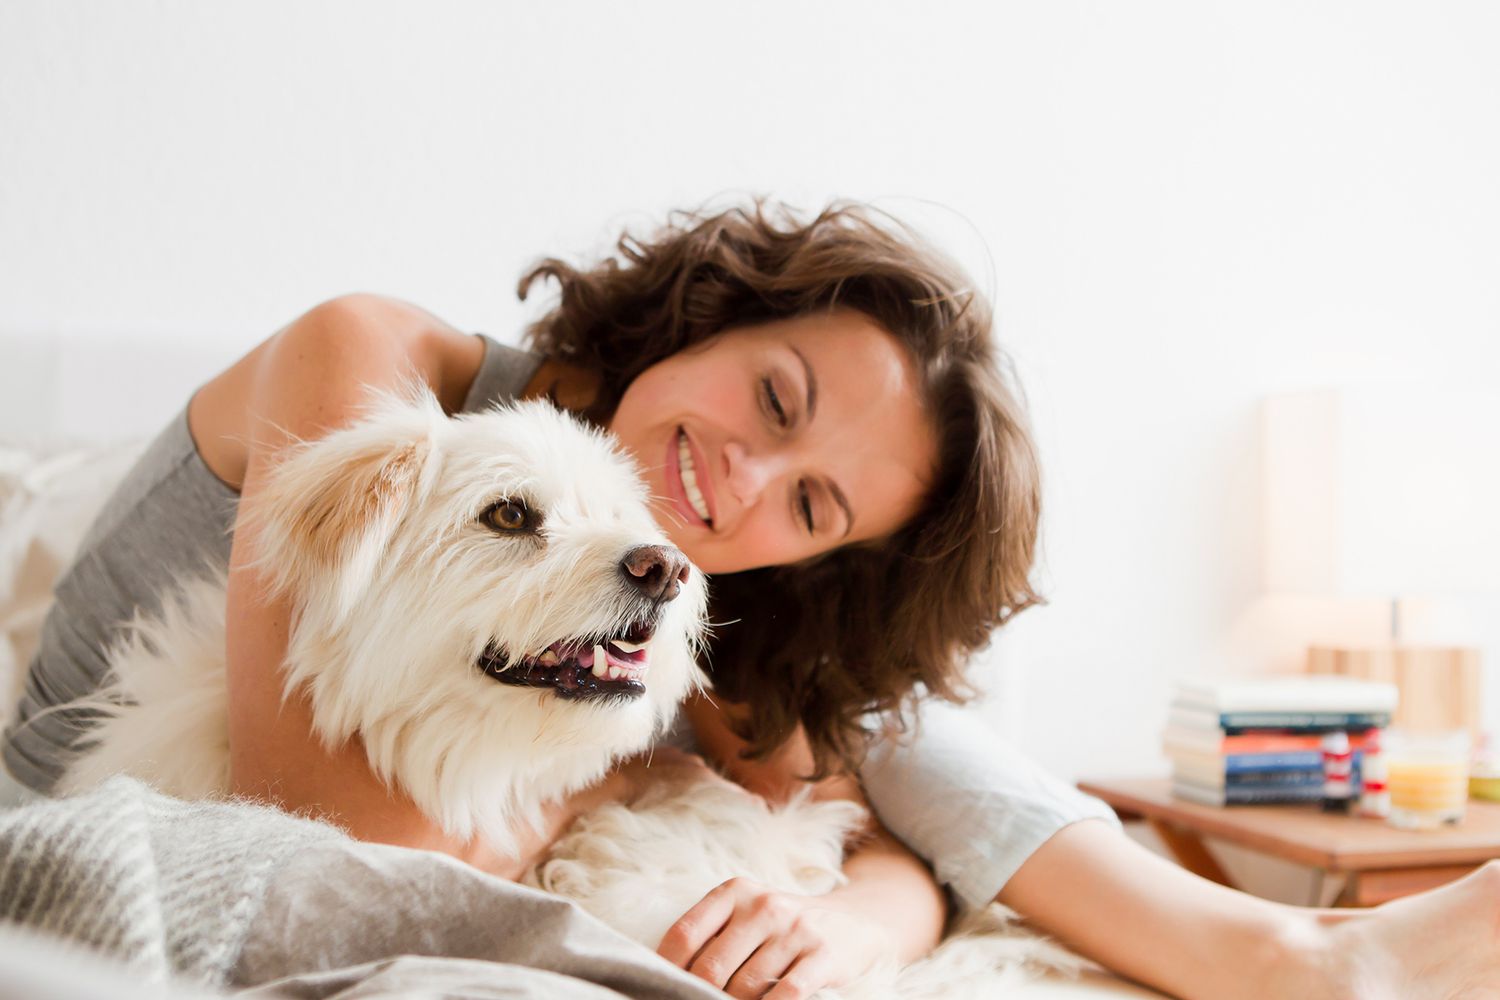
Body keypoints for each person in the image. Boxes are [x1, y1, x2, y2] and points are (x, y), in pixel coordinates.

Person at [4, 201, 1498, 1000]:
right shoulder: (389, 373)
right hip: (103, 798)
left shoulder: (685, 591)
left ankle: (1299, 958)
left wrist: (865, 923)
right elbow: (335, 839)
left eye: (813, 507)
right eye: (776, 397)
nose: (740, 482)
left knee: (879, 729)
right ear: (717, 312)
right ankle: (1288, 957)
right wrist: (617, 775)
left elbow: (867, 809)